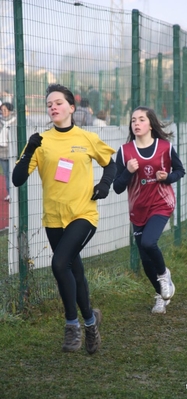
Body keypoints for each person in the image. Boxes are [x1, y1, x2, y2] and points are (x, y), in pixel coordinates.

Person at [12, 84, 117, 354]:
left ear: (72, 107)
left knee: (60, 263)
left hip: (84, 214)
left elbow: (110, 163)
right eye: (49, 104)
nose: (53, 107)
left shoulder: (86, 137)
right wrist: (28, 151)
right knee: (75, 270)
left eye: (58, 103)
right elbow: (17, 178)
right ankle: (91, 322)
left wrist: (104, 186)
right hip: (53, 219)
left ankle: (73, 326)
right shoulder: (40, 140)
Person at [113, 106, 185, 314]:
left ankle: (164, 275)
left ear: (151, 124)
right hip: (138, 209)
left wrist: (168, 177)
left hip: (162, 203)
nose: (136, 123)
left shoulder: (165, 148)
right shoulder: (124, 151)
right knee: (145, 260)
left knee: (148, 242)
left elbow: (180, 170)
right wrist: (127, 172)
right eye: (133, 120)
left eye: (141, 119)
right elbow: (117, 187)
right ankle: (161, 295)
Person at [0, 102, 16, 201]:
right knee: (6, 174)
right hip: (2, 151)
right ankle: (10, 193)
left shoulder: (15, 121)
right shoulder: (0, 121)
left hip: (12, 151)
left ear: (10, 111)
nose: (3, 112)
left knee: (13, 173)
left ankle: (15, 193)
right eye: (1, 110)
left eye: (5, 110)